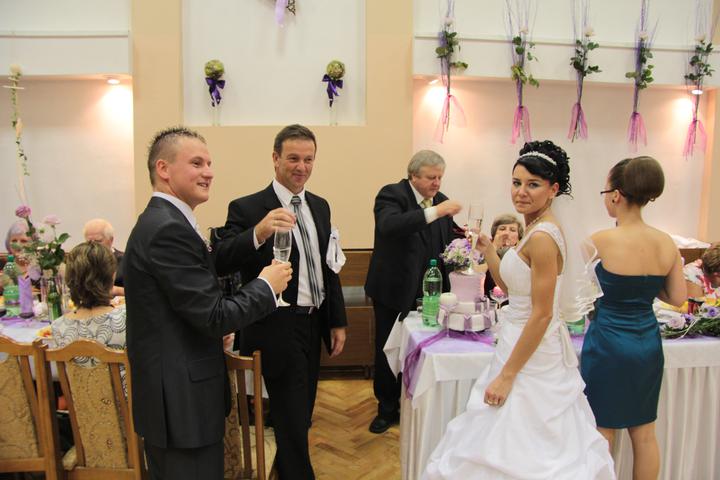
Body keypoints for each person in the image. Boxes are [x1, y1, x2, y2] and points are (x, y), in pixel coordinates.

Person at [423, 140, 615, 479]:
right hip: (517, 338)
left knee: (522, 443)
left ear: (553, 189)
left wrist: (508, 375)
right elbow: (514, 290)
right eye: (516, 182)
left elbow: (542, 313)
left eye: (533, 184)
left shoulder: (542, 237)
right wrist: (490, 251)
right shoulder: (535, 228)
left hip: (532, 352)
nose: (521, 192)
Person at [123, 126, 291, 480]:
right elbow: (214, 316)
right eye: (197, 163)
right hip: (181, 403)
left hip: (178, 397)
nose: (209, 172)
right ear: (164, 169)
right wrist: (266, 286)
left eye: (209, 164)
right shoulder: (167, 229)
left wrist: (256, 234)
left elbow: (194, 289)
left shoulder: (166, 221)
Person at [213, 124, 347, 480]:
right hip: (276, 326)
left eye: (308, 159)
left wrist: (337, 320)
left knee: (302, 411)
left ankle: (287, 470)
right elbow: (221, 260)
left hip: (314, 322)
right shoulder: (247, 207)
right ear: (275, 159)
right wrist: (258, 232)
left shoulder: (320, 206)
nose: (301, 167)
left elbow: (329, 266)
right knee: (290, 415)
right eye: (293, 158)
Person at [581, 156, 686, 480]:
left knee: (602, 429)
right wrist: (645, 288)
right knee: (644, 433)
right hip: (647, 345)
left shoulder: (597, 241)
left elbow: (578, 295)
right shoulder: (666, 242)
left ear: (615, 195)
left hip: (607, 344)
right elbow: (678, 298)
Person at [364, 150, 462, 434]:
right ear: (413, 176)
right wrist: (436, 211)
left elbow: (450, 237)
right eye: (431, 177)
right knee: (388, 352)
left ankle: (418, 403)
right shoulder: (392, 195)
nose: (437, 183)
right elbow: (390, 226)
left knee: (425, 347)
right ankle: (386, 408)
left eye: (440, 177)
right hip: (393, 291)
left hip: (431, 293)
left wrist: (469, 239)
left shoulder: (441, 201)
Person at [50, 241, 127, 382]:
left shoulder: (58, 327)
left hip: (79, 396)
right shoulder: (127, 318)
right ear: (112, 275)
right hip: (128, 396)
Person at [483, 213, 524, 298]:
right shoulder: (483, 249)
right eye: (502, 229)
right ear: (494, 234)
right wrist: (494, 247)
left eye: (512, 230)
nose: (506, 233)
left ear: (518, 238)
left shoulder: (521, 256)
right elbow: (478, 273)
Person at [83, 218, 125, 296]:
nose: (93, 246)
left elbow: (138, 291)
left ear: (111, 240)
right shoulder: (81, 261)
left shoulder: (126, 261)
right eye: (89, 242)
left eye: (98, 241)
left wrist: (116, 290)